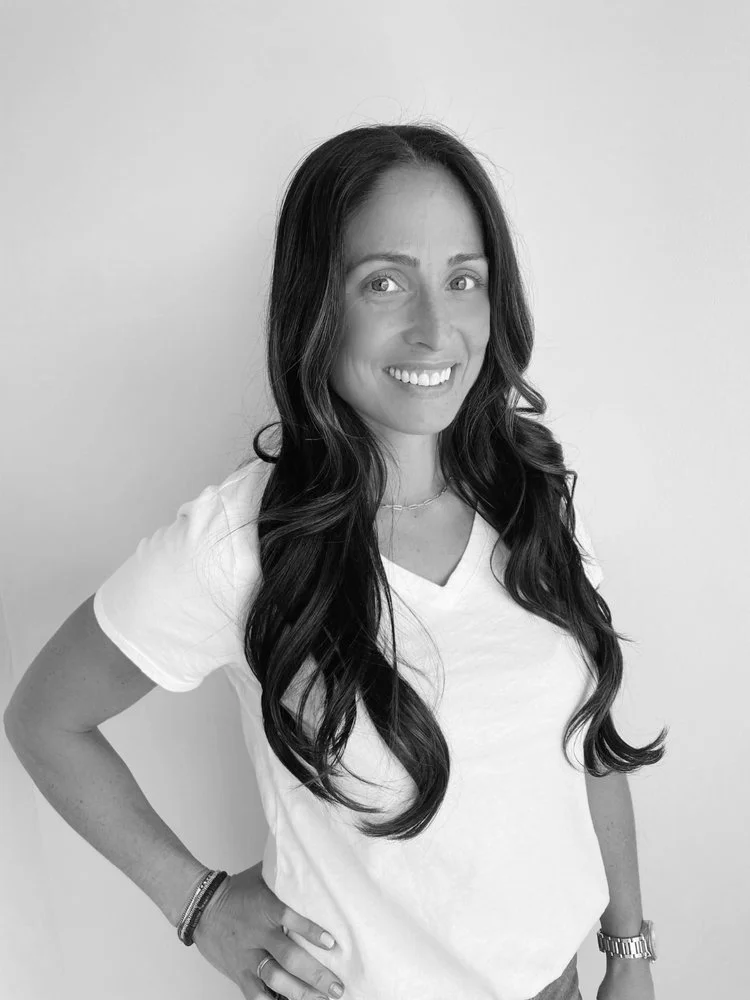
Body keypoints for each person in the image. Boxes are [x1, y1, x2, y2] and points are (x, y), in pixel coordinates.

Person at [4, 122, 666, 1000]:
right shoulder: (238, 542)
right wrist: (197, 904)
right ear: (318, 301)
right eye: (385, 281)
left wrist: (629, 951)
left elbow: (588, 746)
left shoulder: (531, 496)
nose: (435, 328)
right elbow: (46, 720)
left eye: (463, 280)